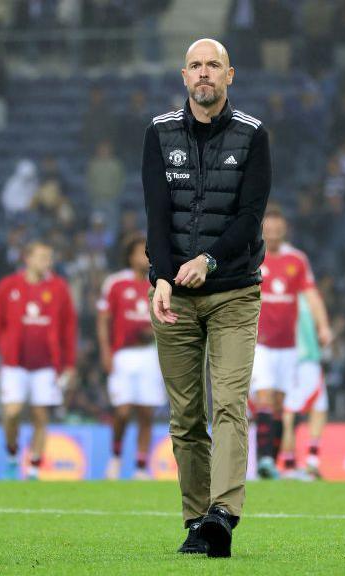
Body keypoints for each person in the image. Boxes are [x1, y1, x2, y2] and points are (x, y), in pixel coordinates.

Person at [143, 38, 271, 559]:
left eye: (213, 65)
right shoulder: (158, 133)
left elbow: (250, 217)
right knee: (186, 418)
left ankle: (223, 513)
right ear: (183, 75)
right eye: (195, 65)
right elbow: (156, 214)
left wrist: (209, 260)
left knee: (229, 404)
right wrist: (161, 276)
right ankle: (197, 522)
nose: (204, 73)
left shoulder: (253, 135)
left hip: (234, 292)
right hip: (174, 295)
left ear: (230, 76)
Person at [0, 241, 77, 481]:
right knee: (12, 412)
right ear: (27, 258)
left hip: (46, 365)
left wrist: (70, 364)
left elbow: (68, 327)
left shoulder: (59, 287)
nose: (48, 262)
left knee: (40, 416)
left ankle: (34, 468)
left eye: (50, 257)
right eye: (43, 257)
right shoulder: (8, 286)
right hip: (14, 364)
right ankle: (13, 455)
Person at [251, 208, 331, 479]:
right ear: (262, 229)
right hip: (259, 342)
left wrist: (323, 326)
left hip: (289, 345)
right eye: (268, 228)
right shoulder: (251, 255)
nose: (273, 232)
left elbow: (311, 294)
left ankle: (269, 464)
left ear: (284, 229)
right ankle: (262, 457)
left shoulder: (296, 260)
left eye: (277, 228)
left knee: (279, 403)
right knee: (264, 395)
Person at [97, 235, 164, 481]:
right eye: (139, 253)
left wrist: (153, 330)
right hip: (123, 355)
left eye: (147, 253)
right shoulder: (115, 283)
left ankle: (140, 466)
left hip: (150, 355)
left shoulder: (159, 283)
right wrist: (106, 351)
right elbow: (103, 319)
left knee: (146, 412)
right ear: (129, 256)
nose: (144, 258)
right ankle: (115, 458)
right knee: (123, 411)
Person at [279, 292, 330, 480]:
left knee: (317, 408)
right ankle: (293, 465)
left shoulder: (283, 294)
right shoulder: (305, 297)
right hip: (303, 361)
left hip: (299, 360)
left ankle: (306, 463)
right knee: (292, 412)